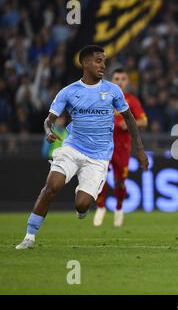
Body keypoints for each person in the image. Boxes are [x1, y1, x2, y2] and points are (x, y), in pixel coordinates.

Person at [15, 45, 149, 249]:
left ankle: (83, 205)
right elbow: (49, 120)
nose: (103, 65)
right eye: (98, 60)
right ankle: (29, 236)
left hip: (99, 156)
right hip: (72, 148)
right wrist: (49, 132)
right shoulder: (68, 92)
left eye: (104, 61)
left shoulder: (113, 91)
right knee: (52, 187)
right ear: (84, 63)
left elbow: (130, 119)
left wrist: (139, 150)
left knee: (82, 204)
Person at [93, 68, 148, 227]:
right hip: (103, 146)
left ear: (127, 82)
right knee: (99, 178)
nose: (120, 81)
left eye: (123, 79)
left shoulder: (132, 101)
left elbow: (144, 121)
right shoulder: (103, 98)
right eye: (117, 78)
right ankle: (101, 207)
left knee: (119, 182)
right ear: (112, 81)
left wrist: (131, 123)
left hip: (122, 148)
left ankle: (118, 208)